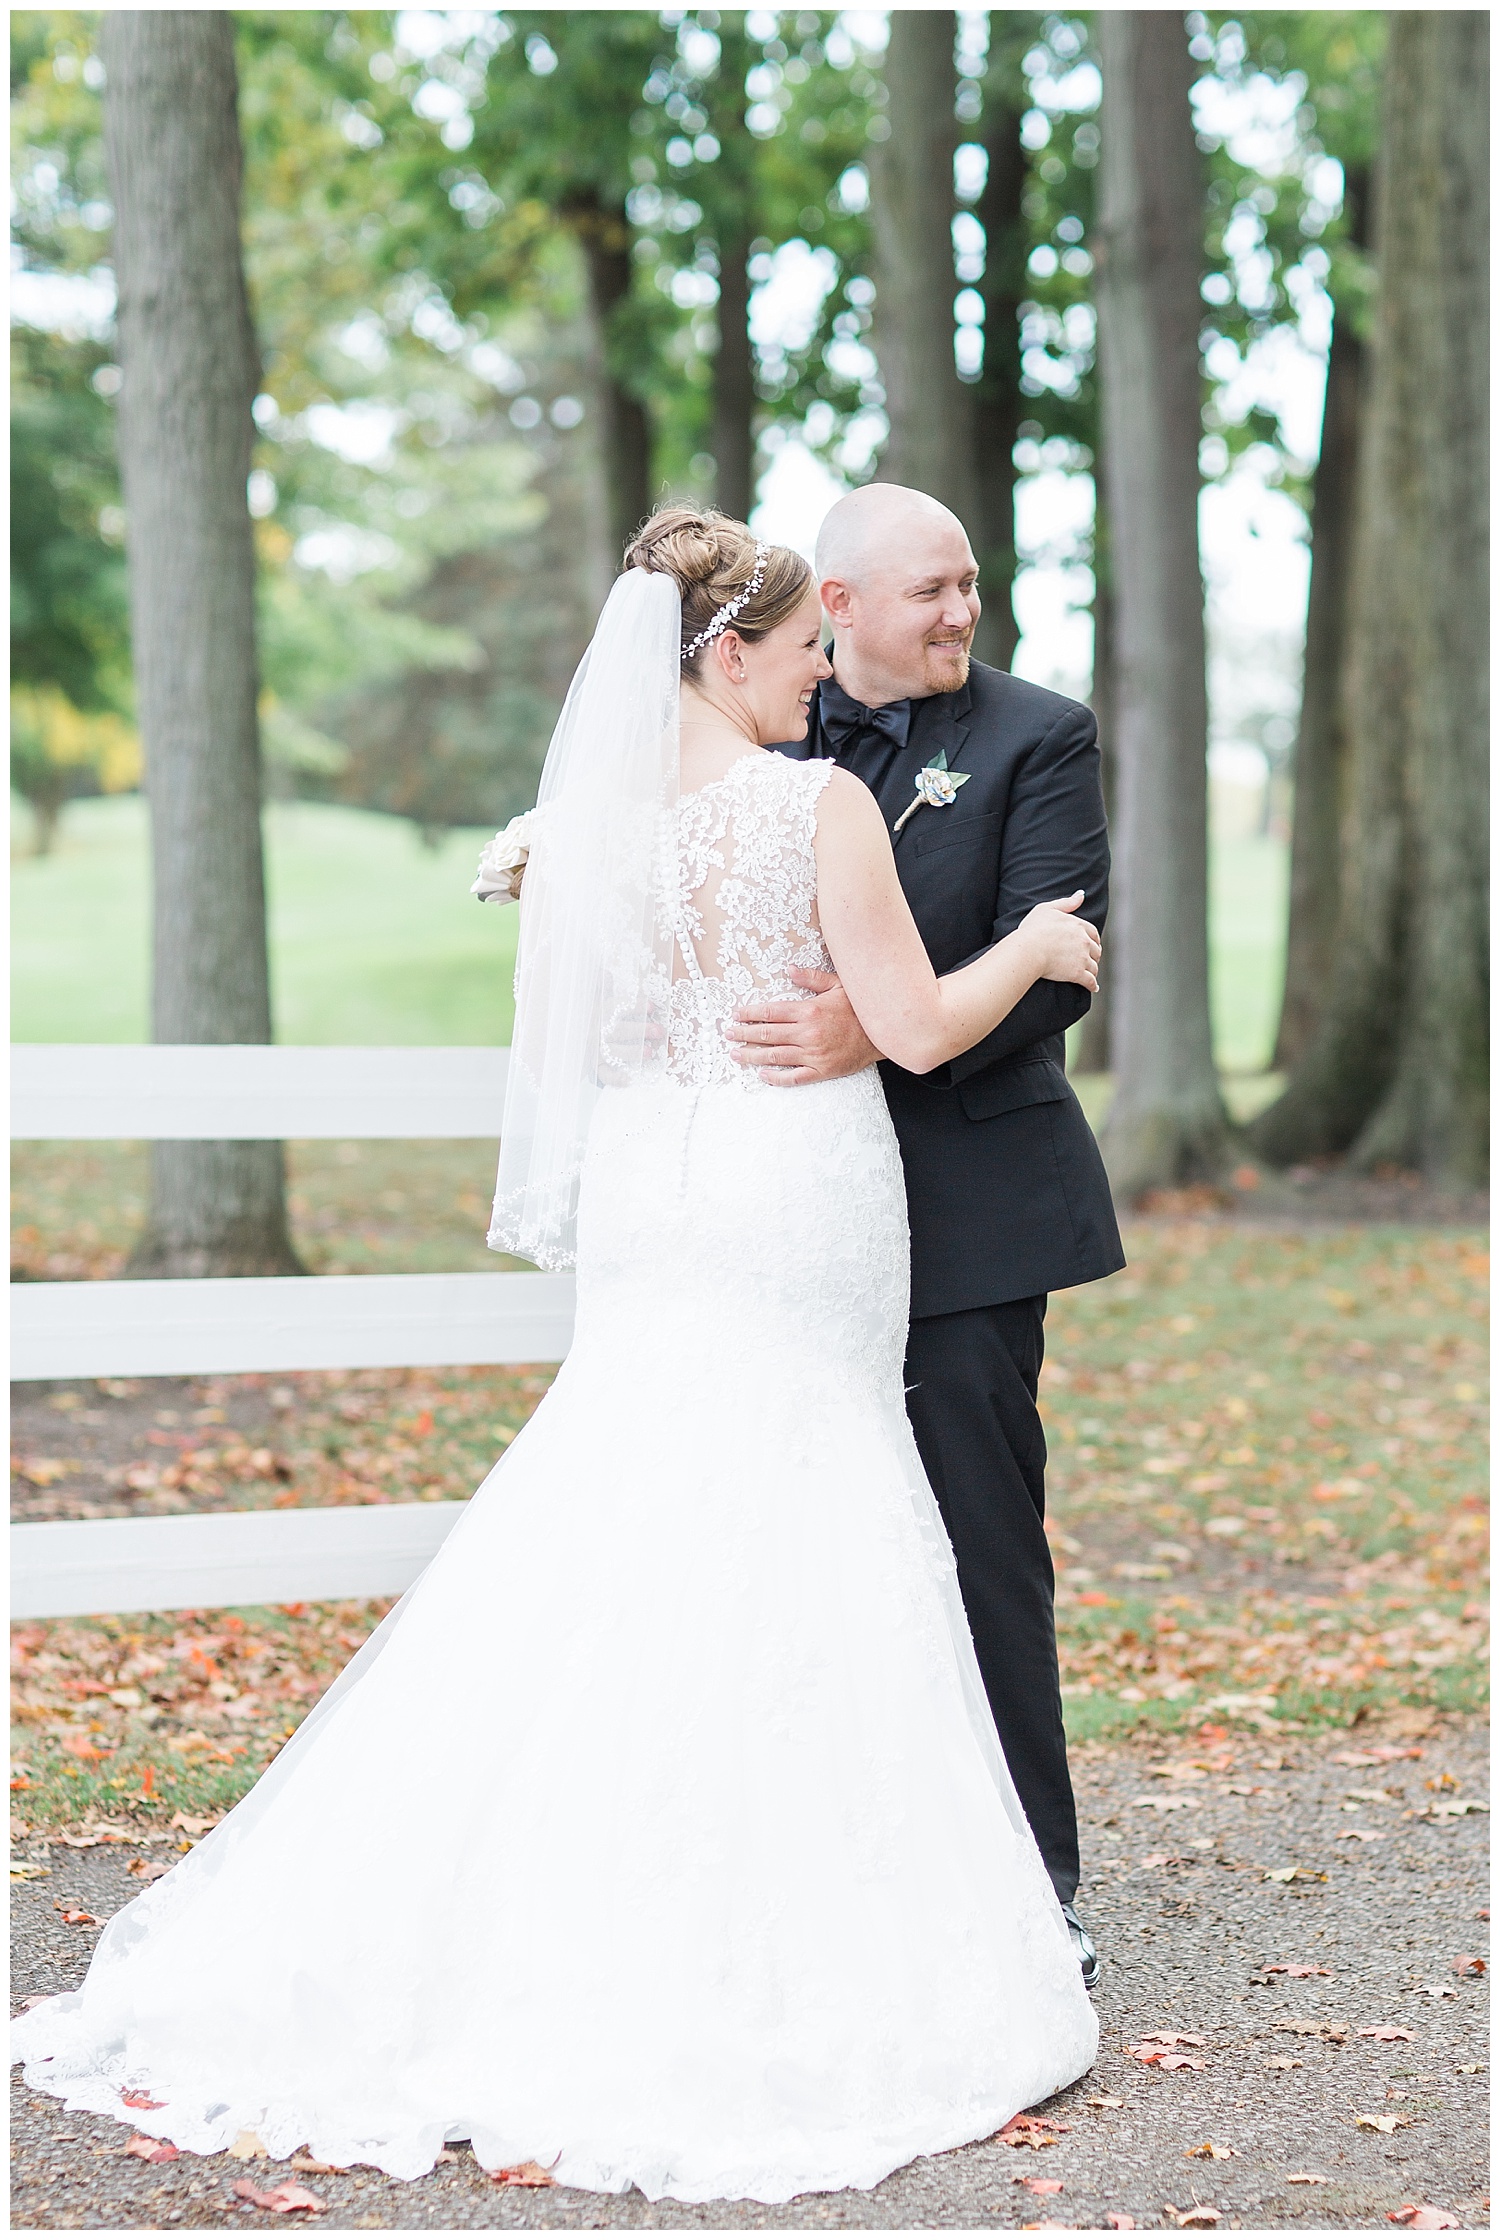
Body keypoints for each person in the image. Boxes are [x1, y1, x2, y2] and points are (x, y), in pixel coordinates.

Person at [13, 509, 1100, 2205]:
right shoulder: (810, 805)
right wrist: (1033, 947)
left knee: (636, 1516)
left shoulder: (581, 839)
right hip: (788, 1203)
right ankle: (775, 1914)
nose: (826, 673)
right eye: (806, 644)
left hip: (663, 1207)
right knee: (797, 1510)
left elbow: (596, 1048)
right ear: (723, 653)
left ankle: (559, 1888)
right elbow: (906, 1026)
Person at [730, 484, 1125, 1984]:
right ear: (836, 605)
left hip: (973, 1202)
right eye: (930, 592)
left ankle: (1036, 1887)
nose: (962, 612)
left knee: (979, 1536)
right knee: (804, 1532)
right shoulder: (765, 731)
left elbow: (1057, 963)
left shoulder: (1040, 735)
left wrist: (876, 1037)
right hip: (791, 1205)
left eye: (970, 585)